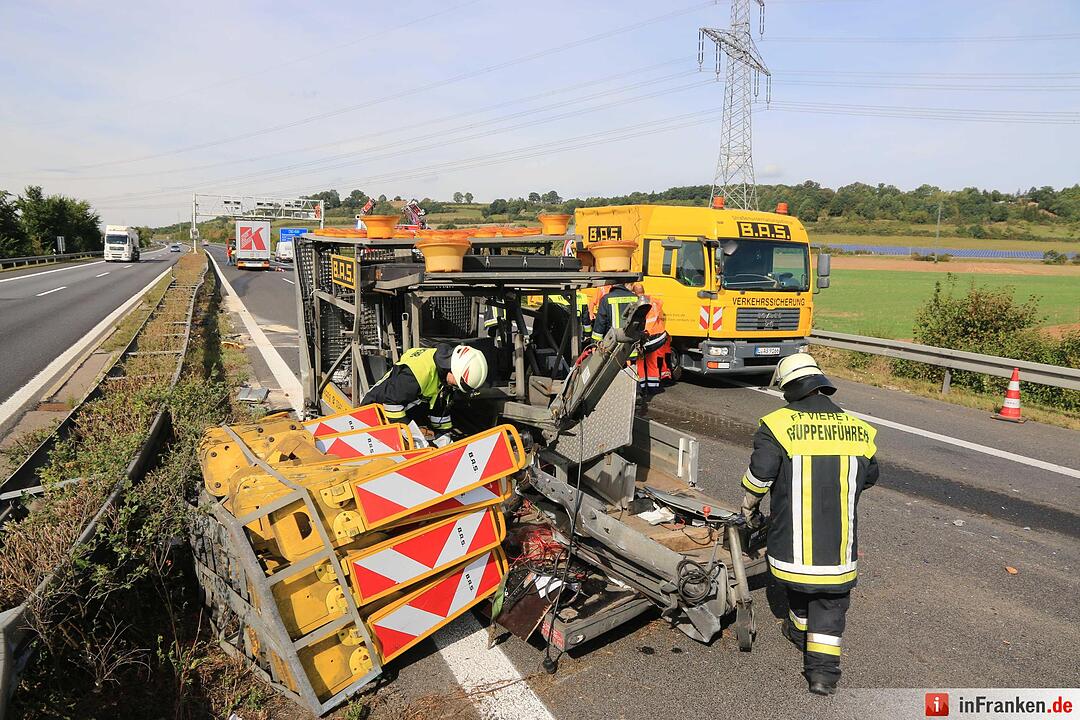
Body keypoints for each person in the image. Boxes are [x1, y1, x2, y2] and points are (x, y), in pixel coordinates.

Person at [739, 353, 879, 696]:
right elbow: (871, 476)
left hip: (791, 544)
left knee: (800, 589)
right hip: (838, 544)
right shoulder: (857, 428)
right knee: (831, 603)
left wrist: (748, 506)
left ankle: (800, 633)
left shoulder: (777, 425)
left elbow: (759, 478)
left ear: (789, 388)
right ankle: (823, 674)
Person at [361, 344, 488, 434]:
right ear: (453, 369)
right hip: (373, 418)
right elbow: (391, 405)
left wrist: (445, 438)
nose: (455, 388)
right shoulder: (418, 371)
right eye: (457, 385)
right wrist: (417, 438)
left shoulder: (444, 376)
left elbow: (440, 413)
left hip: (401, 416)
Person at [630, 283, 667, 395]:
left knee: (640, 363)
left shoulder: (639, 303)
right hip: (656, 337)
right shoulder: (653, 301)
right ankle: (653, 387)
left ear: (634, 292)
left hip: (645, 337)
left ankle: (641, 387)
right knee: (652, 363)